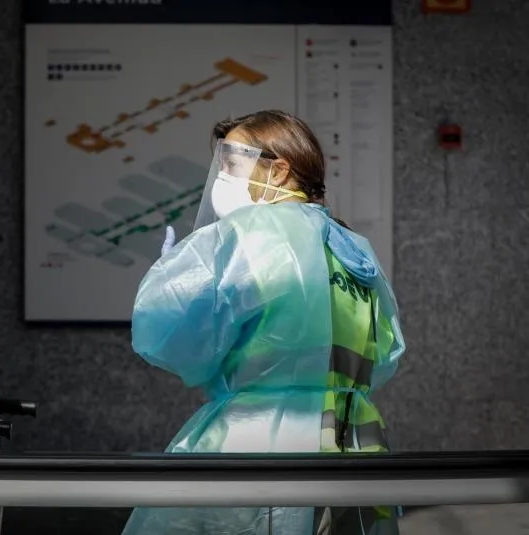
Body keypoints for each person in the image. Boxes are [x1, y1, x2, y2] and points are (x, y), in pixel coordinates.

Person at [122, 110, 405, 535]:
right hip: (355, 442)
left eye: (232, 165)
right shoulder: (353, 245)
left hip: (262, 439)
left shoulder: (246, 234)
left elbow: (166, 341)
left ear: (277, 170)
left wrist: (172, 282)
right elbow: (385, 355)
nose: (223, 176)